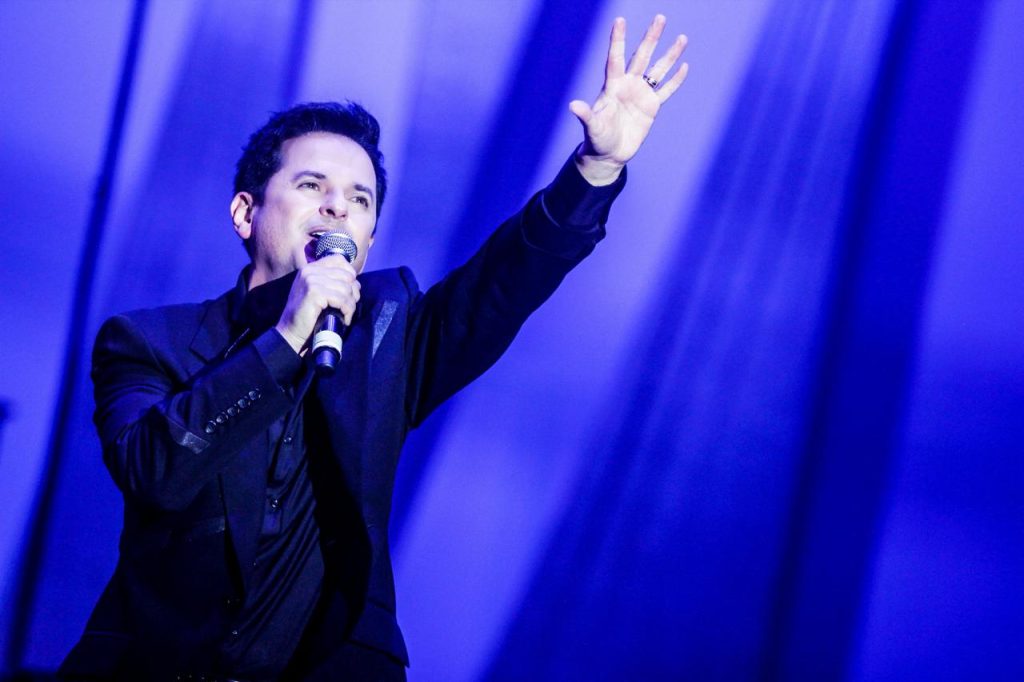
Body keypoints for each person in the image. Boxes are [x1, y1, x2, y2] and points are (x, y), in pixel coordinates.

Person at [59, 14, 688, 681]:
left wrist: (596, 166)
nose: (338, 209)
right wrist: (286, 340)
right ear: (246, 213)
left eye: (359, 200)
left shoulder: (390, 339)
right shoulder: (147, 341)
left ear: (368, 239)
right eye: (312, 187)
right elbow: (153, 470)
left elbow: (506, 282)